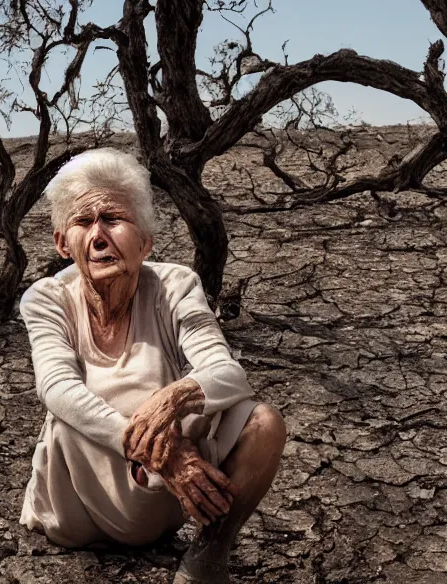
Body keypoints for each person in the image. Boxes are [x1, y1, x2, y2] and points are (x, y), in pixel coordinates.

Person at [18, 148, 287, 584]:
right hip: (77, 509)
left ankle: (207, 557)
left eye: (113, 218)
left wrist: (173, 398)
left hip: (158, 505)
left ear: (145, 241)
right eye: (83, 223)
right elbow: (56, 387)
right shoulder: (47, 299)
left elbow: (227, 372)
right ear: (62, 243)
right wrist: (163, 454)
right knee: (71, 416)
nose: (99, 235)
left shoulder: (175, 285)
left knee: (263, 421)